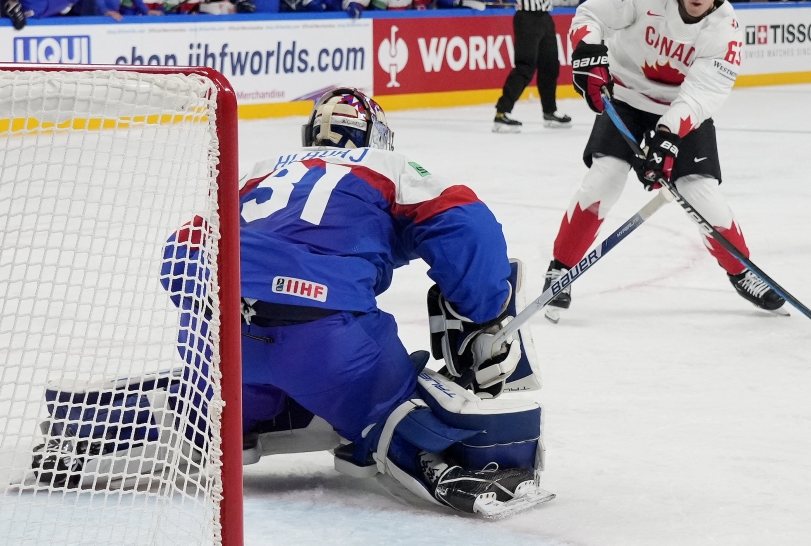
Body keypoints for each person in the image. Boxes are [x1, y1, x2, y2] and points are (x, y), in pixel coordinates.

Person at [161, 89, 549, 516]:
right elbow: (466, 226)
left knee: (224, 401)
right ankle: (428, 455)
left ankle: (142, 420)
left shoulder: (257, 171)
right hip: (322, 336)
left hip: (210, 338)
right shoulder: (389, 167)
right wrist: (485, 312)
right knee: (390, 404)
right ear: (376, 136)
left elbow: (182, 248)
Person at [545, 0, 786, 324]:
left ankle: (742, 271)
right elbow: (590, 13)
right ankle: (561, 268)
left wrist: (668, 136)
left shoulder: (726, 30)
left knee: (699, 191)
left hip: (680, 109)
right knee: (605, 177)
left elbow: (701, 95)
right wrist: (589, 49)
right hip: (624, 95)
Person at [488, 0, 595, 133]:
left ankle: (549, 112)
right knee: (526, 67)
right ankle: (502, 113)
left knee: (550, 66)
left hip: (545, 18)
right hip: (527, 18)